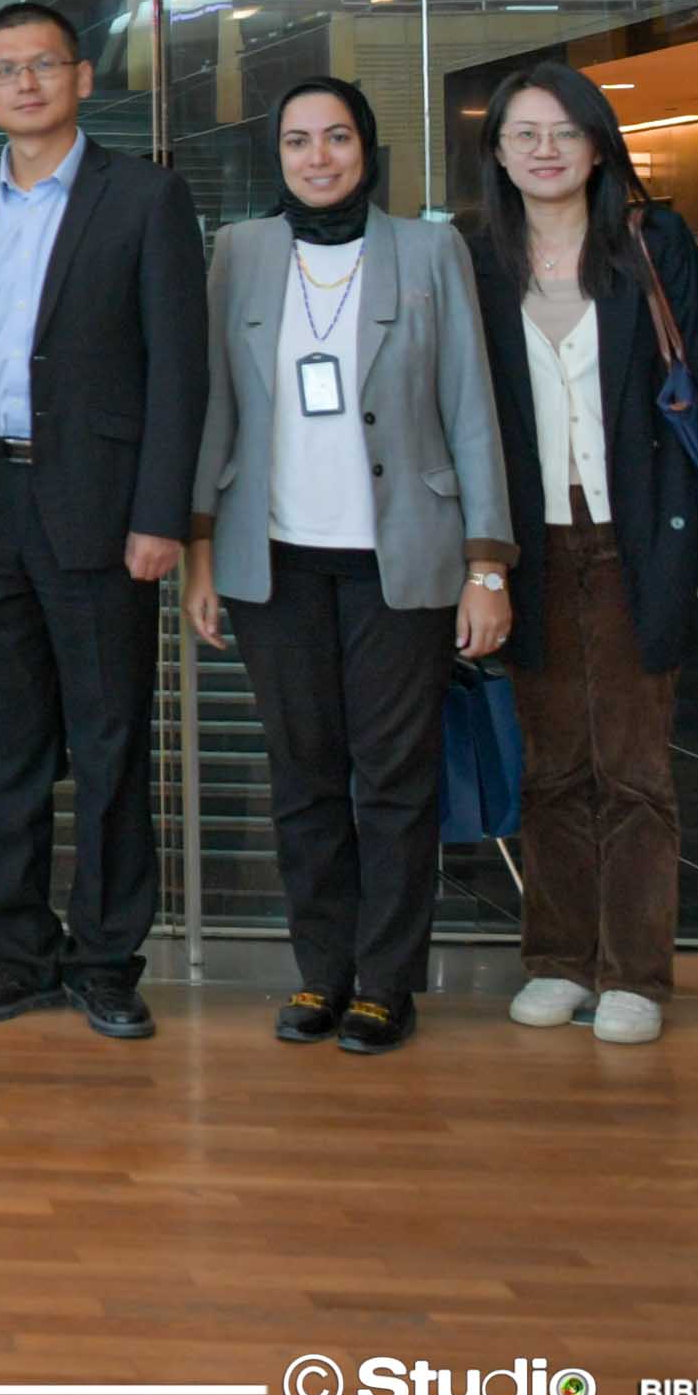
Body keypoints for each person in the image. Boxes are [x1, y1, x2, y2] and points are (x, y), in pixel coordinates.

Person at [184, 78, 512, 1057]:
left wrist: (487, 563)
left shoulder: (427, 249)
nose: (317, 156)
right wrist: (198, 549)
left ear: (366, 148)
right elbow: (214, 407)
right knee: (304, 776)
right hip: (273, 558)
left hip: (400, 556)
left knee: (394, 779)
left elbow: (470, 405)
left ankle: (385, 981)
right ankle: (321, 971)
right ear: (277, 155)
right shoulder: (240, 251)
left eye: (335, 137)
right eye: (297, 141)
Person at [0, 0, 204, 1043]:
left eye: (43, 64)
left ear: (82, 77)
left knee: (108, 739)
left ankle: (105, 959)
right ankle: (18, 952)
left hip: (100, 506)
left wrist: (160, 512)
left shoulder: (145, 198)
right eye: (4, 69)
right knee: (0, 743)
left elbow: (179, 368)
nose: (25, 84)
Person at [467, 63, 698, 1049]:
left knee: (632, 763)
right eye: (523, 133)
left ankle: (632, 970)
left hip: (643, 536)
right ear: (498, 152)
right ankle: (557, 957)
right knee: (549, 762)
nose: (544, 150)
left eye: (564, 131)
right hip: (527, 543)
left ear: (597, 145)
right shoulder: (473, 257)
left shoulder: (650, 241)